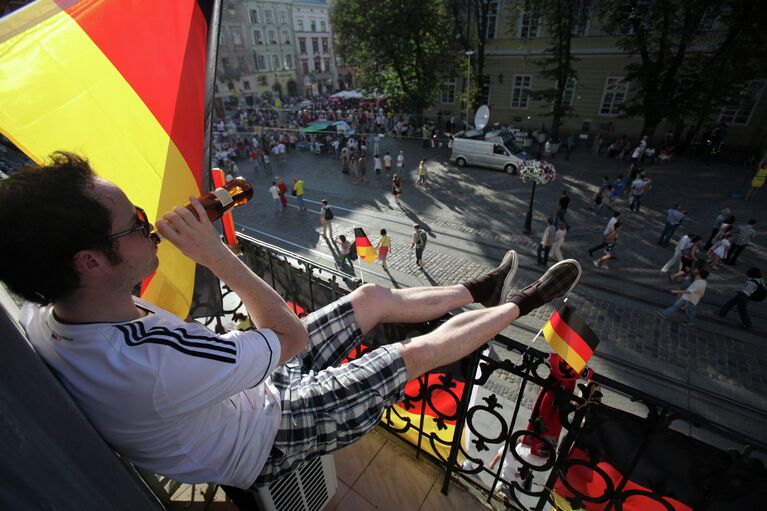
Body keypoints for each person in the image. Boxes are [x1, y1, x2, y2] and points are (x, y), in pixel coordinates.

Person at [0, 151, 584, 492]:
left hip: (231, 394)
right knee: (408, 355)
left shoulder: (52, 312)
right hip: (265, 432)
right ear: (91, 261)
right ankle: (522, 304)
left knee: (373, 295)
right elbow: (290, 337)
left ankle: (475, 287)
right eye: (135, 222)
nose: (151, 222)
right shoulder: (146, 366)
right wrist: (216, 254)